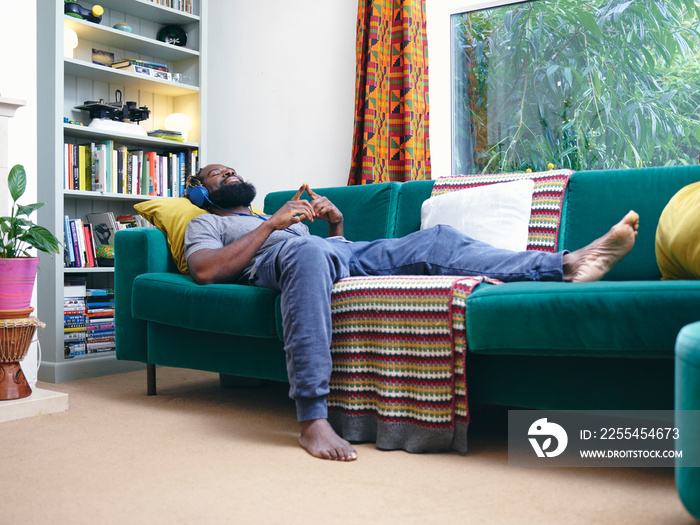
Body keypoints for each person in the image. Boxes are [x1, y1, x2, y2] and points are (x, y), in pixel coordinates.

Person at [184, 164, 640, 462]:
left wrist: (336, 224)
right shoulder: (210, 222)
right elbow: (205, 271)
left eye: (231, 170)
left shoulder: (280, 215)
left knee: (436, 238)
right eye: (216, 175)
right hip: (281, 262)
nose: (229, 173)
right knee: (308, 257)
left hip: (328, 253)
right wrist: (272, 225)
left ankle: (564, 264)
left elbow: (334, 259)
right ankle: (312, 418)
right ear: (202, 195)